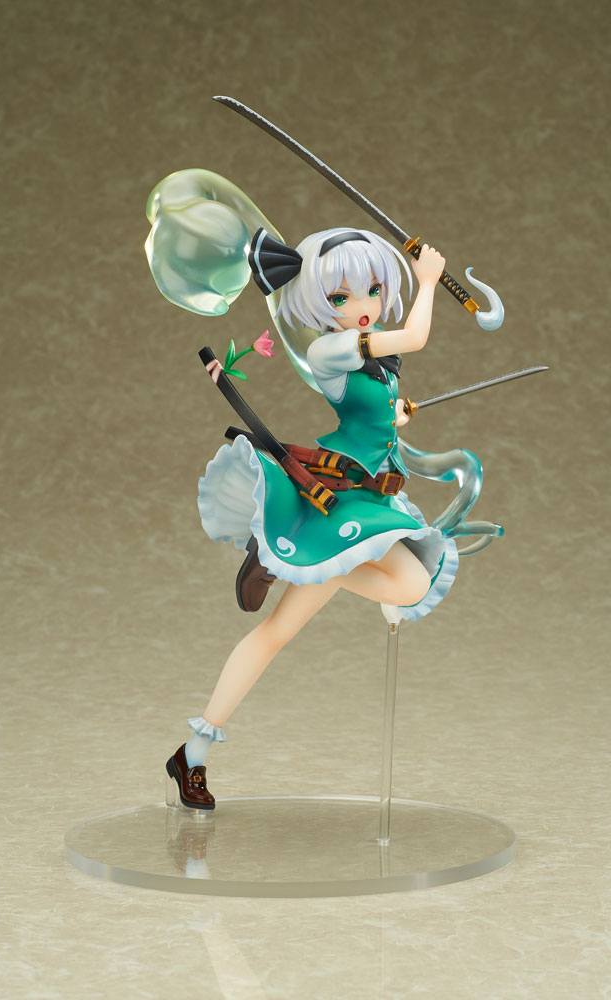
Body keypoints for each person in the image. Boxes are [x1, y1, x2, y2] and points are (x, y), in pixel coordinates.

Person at [165, 225, 463, 810]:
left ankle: (190, 753)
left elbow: (370, 410)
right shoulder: (330, 348)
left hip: (369, 495)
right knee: (293, 627)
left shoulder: (372, 354)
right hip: (340, 498)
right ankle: (194, 753)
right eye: (341, 296)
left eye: (373, 290)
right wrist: (428, 281)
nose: (362, 306)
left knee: (398, 587)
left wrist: (394, 416)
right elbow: (418, 335)